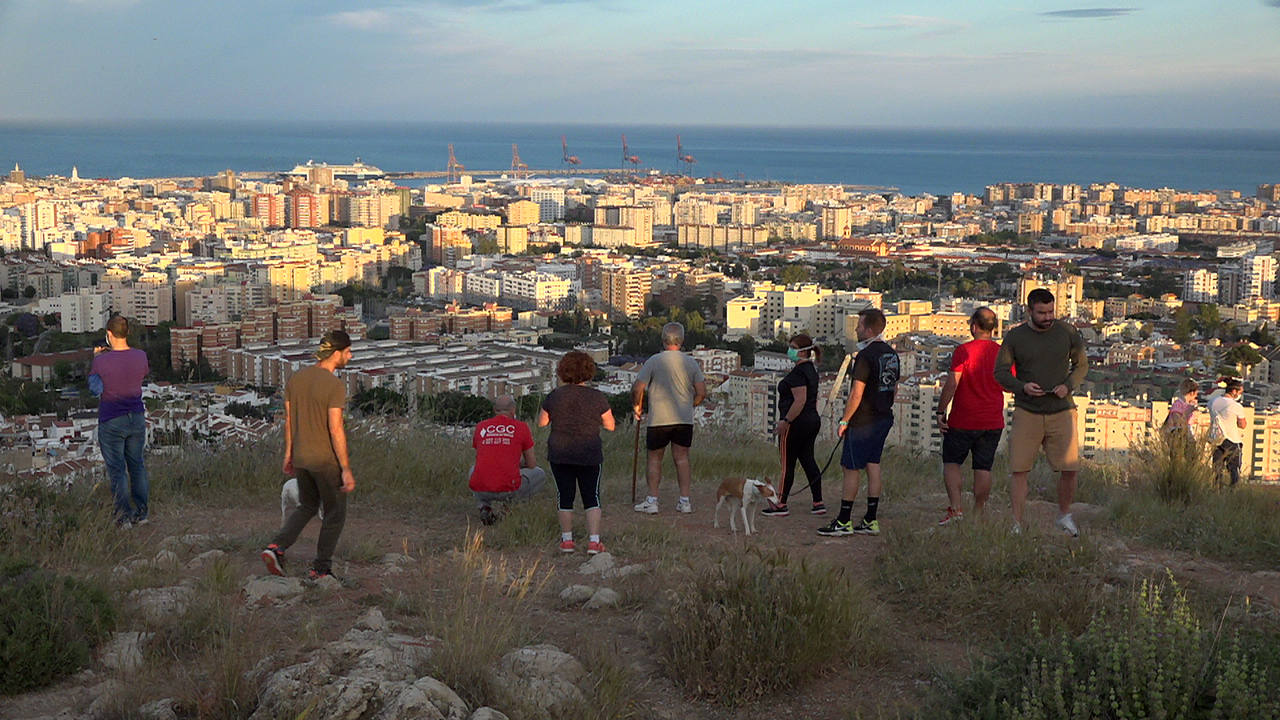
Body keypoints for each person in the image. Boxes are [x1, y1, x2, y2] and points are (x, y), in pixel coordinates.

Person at [262, 331, 356, 580]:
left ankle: (276, 547)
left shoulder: (296, 379)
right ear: (336, 353)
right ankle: (321, 568)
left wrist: (289, 454)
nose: (350, 356)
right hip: (325, 461)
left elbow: (289, 421)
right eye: (347, 352)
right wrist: (345, 468)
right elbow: (335, 428)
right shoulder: (334, 385)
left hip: (302, 458)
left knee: (307, 506)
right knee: (335, 513)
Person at [994, 288, 1088, 536]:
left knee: (1069, 468)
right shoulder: (1015, 337)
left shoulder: (1067, 332)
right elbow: (1000, 372)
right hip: (1028, 411)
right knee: (1019, 469)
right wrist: (1022, 387)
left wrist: (1067, 385)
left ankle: (1065, 516)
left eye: (1051, 311)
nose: (1048, 317)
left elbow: (1082, 365)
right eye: (1042, 312)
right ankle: (1016, 523)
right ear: (1029, 311)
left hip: (1062, 410)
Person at [818, 308, 899, 537]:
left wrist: (845, 420)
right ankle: (870, 520)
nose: (856, 329)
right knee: (873, 465)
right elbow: (894, 387)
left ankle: (844, 521)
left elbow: (856, 393)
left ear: (870, 329)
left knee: (851, 468)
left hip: (863, 421)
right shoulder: (891, 354)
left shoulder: (865, 356)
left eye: (859, 326)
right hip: (883, 417)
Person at [539, 351, 616, 554]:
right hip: (589, 452)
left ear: (563, 371)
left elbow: (542, 422)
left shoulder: (554, 396)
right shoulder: (597, 397)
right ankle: (593, 541)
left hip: (560, 452)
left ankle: (567, 541)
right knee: (592, 497)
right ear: (589, 372)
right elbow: (610, 426)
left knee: (565, 496)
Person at [936, 307, 1004, 525]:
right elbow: (1010, 385)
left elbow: (952, 383)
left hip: (963, 419)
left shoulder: (963, 351)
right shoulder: (1002, 353)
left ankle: (956, 510)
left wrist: (940, 410)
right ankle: (978, 512)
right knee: (983, 467)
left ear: (974, 326)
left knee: (952, 462)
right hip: (992, 420)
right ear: (993, 328)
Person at [631, 322, 707, 514]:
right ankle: (684, 501)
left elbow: (638, 387)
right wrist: (691, 405)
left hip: (659, 418)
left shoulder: (654, 361)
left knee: (654, 458)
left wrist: (637, 406)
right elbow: (701, 392)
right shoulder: (691, 363)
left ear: (663, 339)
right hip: (683, 418)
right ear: (681, 341)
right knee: (682, 458)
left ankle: (653, 500)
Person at [91, 315, 151, 527]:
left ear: (108, 335)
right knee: (137, 466)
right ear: (127, 333)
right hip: (136, 416)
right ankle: (142, 514)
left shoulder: (100, 361)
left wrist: (96, 359)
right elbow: (141, 374)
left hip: (111, 419)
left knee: (117, 470)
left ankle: (123, 517)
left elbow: (95, 389)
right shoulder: (141, 356)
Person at [762, 333, 825, 517]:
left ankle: (780, 503)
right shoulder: (811, 370)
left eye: (792, 347)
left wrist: (786, 421)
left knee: (787, 463)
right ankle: (818, 501)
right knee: (808, 460)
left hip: (796, 422)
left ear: (802, 352)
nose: (789, 350)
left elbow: (800, 400)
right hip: (812, 420)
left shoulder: (798, 373)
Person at [469, 395, 547, 525]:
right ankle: (508, 509)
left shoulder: (481, 427)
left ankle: (484, 506)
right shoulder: (521, 427)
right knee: (539, 474)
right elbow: (532, 464)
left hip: (482, 489)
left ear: (495, 410)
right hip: (509, 488)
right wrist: (518, 464)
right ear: (513, 410)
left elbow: (484, 459)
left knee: (474, 469)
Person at [1208, 378, 1247, 487]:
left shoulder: (1212, 402)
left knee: (1217, 470)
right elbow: (1243, 425)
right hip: (1232, 440)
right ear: (1234, 391)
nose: (1240, 394)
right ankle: (1233, 493)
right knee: (1234, 470)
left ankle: (1217, 491)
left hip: (1216, 439)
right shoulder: (1236, 406)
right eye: (1240, 392)